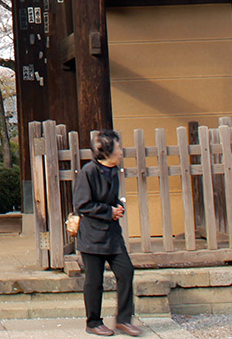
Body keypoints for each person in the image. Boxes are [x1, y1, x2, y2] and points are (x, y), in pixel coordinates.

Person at [72, 129, 140, 337]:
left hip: (112, 234)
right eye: (118, 148)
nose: (121, 152)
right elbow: (82, 204)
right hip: (92, 236)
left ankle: (124, 319)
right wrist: (108, 211)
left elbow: (110, 199)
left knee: (126, 271)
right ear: (107, 151)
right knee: (94, 280)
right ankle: (93, 321)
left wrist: (117, 207)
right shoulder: (89, 171)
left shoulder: (114, 171)